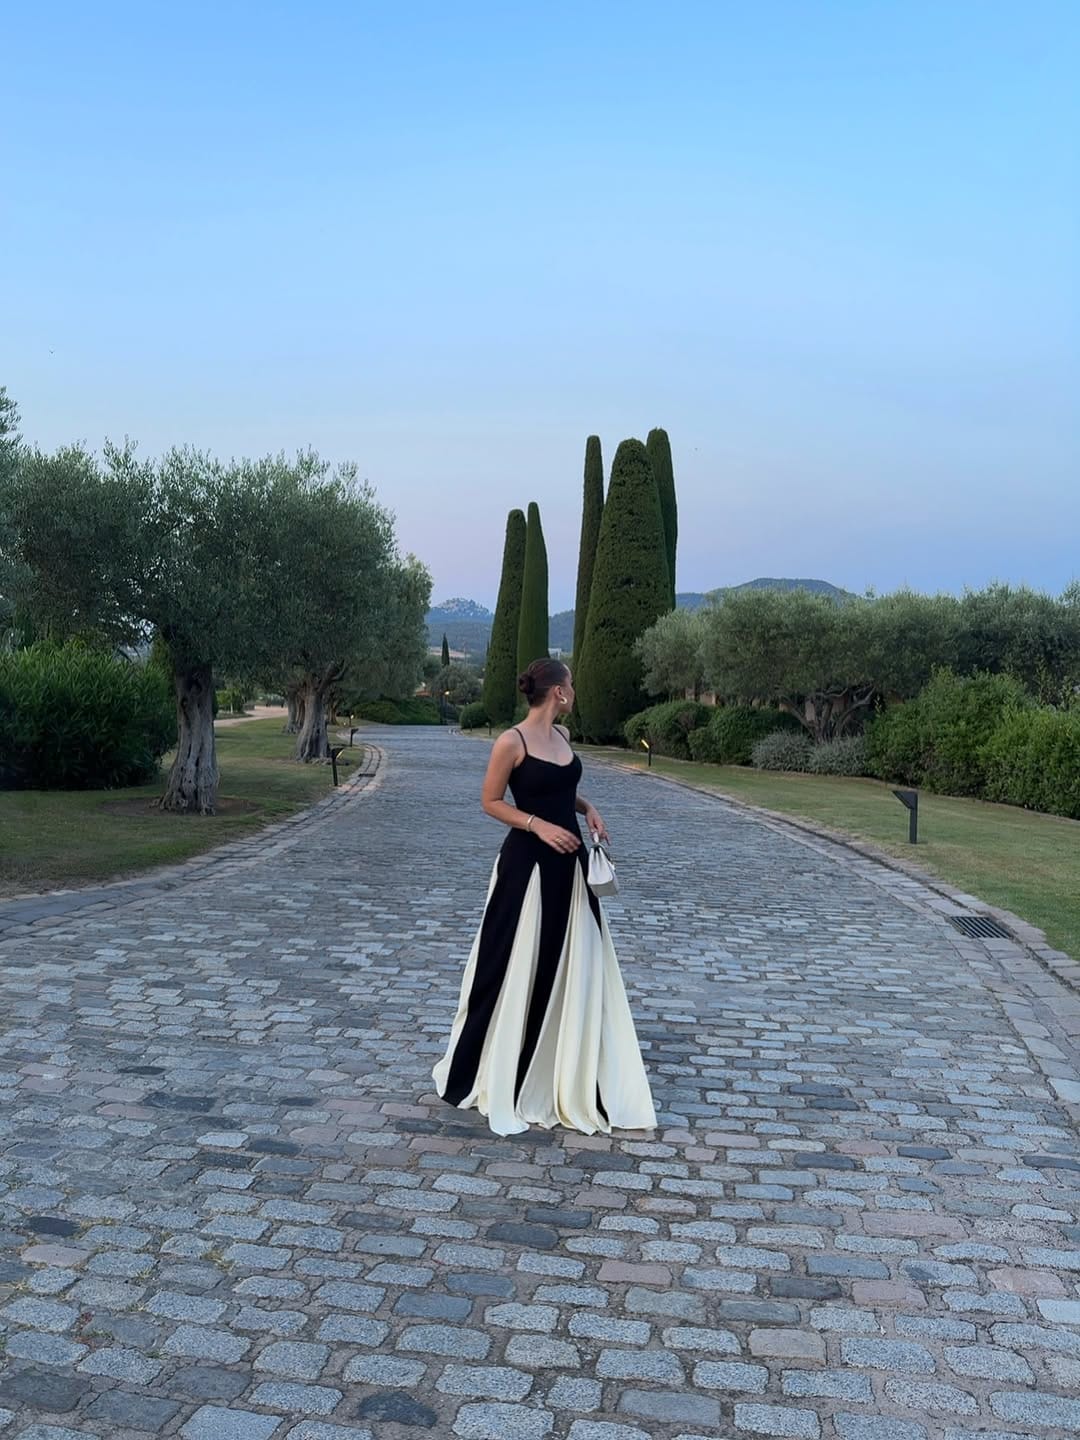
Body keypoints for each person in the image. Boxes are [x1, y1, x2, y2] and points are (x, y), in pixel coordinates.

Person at [432, 657, 657, 1137]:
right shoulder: (510, 741)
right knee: (513, 964)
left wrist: (589, 807)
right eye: (570, 684)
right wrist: (537, 824)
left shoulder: (563, 738)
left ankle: (563, 1062)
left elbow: (560, 788)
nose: (573, 691)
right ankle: (502, 1065)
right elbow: (491, 801)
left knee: (575, 961)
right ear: (557, 692)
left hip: (570, 867)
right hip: (525, 869)